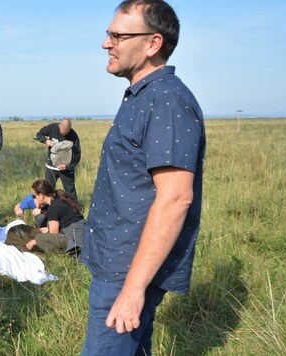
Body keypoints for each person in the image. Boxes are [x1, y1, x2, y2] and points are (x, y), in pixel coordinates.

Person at [79, 1, 206, 354]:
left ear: (153, 43)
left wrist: (133, 290)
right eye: (108, 34)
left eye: (118, 35)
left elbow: (175, 198)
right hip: (118, 263)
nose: (107, 43)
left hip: (127, 271)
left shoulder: (165, 99)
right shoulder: (141, 95)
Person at [24, 179, 84, 255]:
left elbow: (53, 236)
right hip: (79, 229)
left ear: (42, 195)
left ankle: (71, 250)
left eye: (34, 196)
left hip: (75, 235)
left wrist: (34, 242)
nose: (34, 198)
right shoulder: (59, 199)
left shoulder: (53, 208)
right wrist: (48, 229)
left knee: (39, 238)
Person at [35, 118, 81, 201]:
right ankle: (47, 210)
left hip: (65, 168)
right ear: (59, 126)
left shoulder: (73, 135)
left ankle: (75, 211)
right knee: (47, 190)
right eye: (62, 131)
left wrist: (68, 167)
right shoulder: (52, 127)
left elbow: (77, 155)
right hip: (51, 167)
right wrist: (46, 141)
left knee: (70, 192)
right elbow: (39, 134)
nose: (64, 134)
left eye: (67, 132)